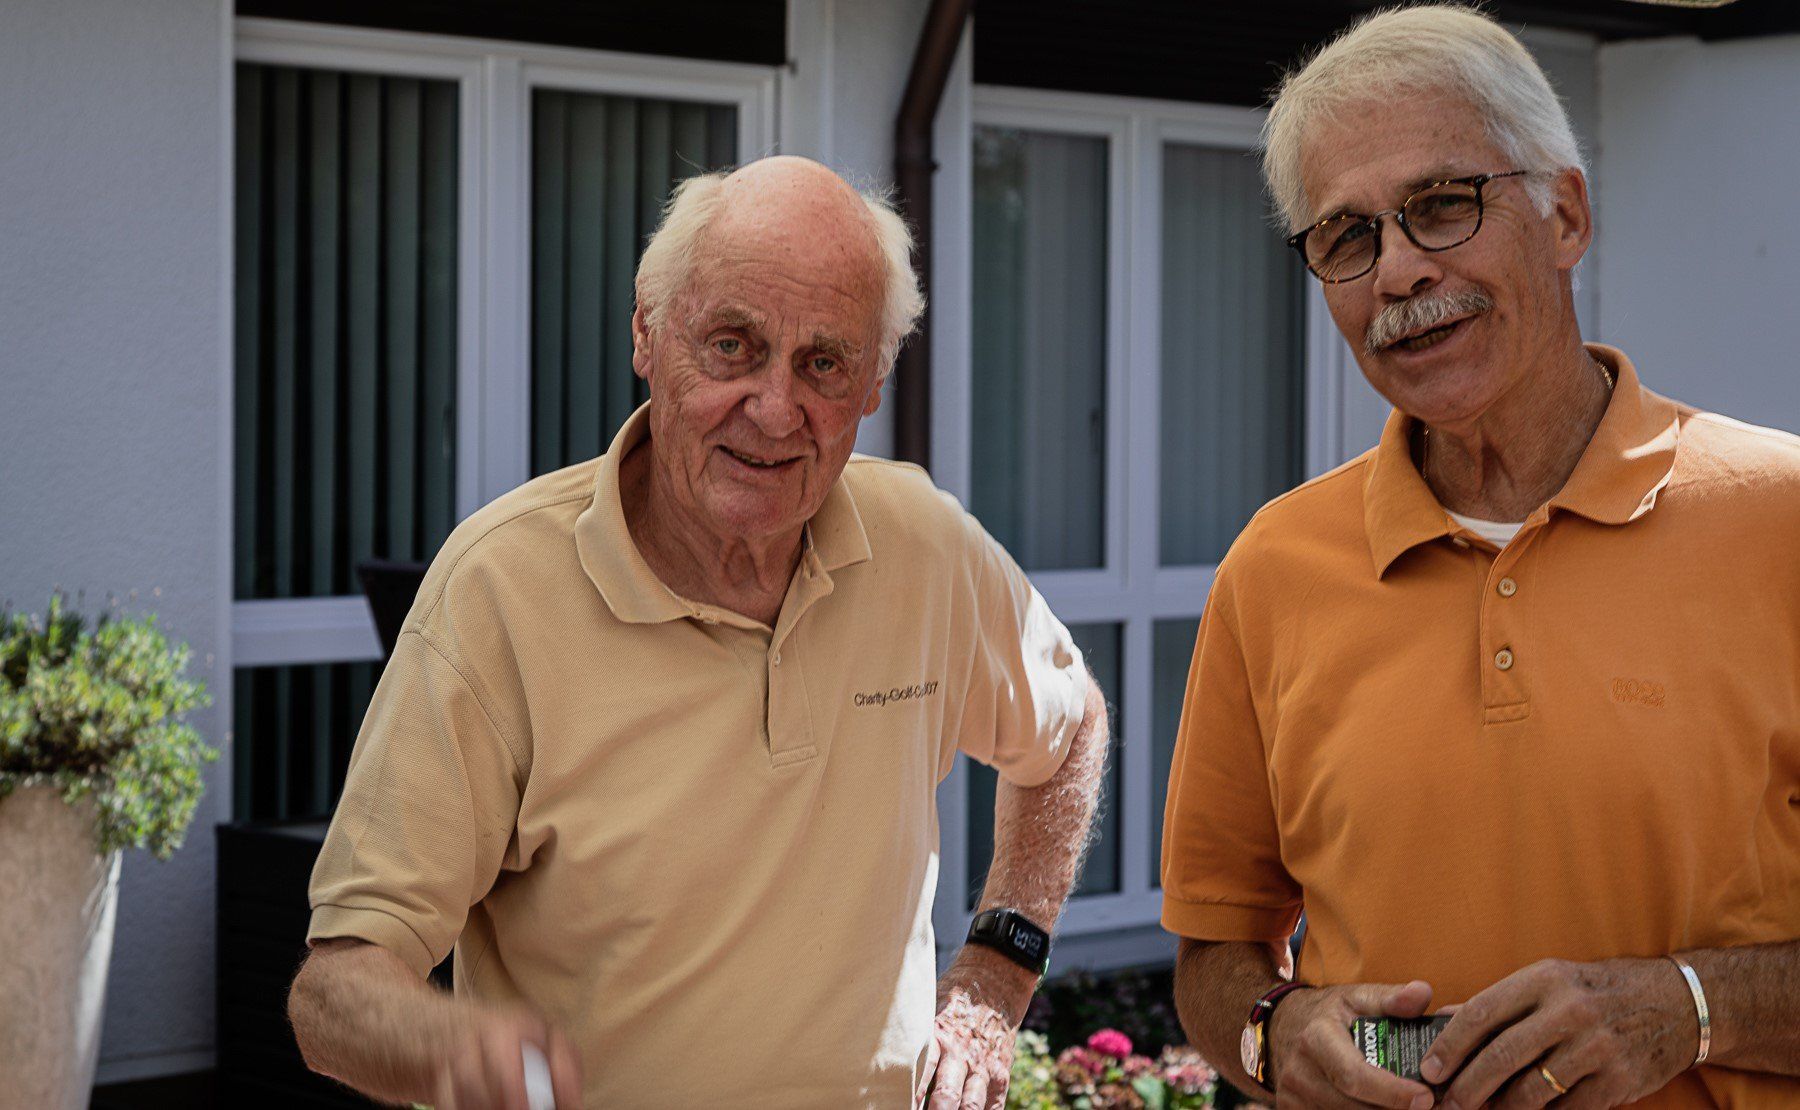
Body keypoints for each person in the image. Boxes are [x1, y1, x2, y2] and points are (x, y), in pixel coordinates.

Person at [286, 155, 1110, 1110]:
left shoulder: (926, 550)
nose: (774, 408)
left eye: (823, 364)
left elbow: (1070, 729)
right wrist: (453, 1049)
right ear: (647, 332)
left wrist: (995, 975)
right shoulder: (498, 591)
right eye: (731, 345)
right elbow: (336, 988)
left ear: (873, 384)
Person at [1159, 7, 1800, 1107]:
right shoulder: (1272, 568)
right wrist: (1278, 1032)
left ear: (1566, 215)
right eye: (1346, 238)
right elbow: (1215, 956)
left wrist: (1691, 1010)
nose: (1398, 272)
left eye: (1443, 205)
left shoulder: (1779, 519)